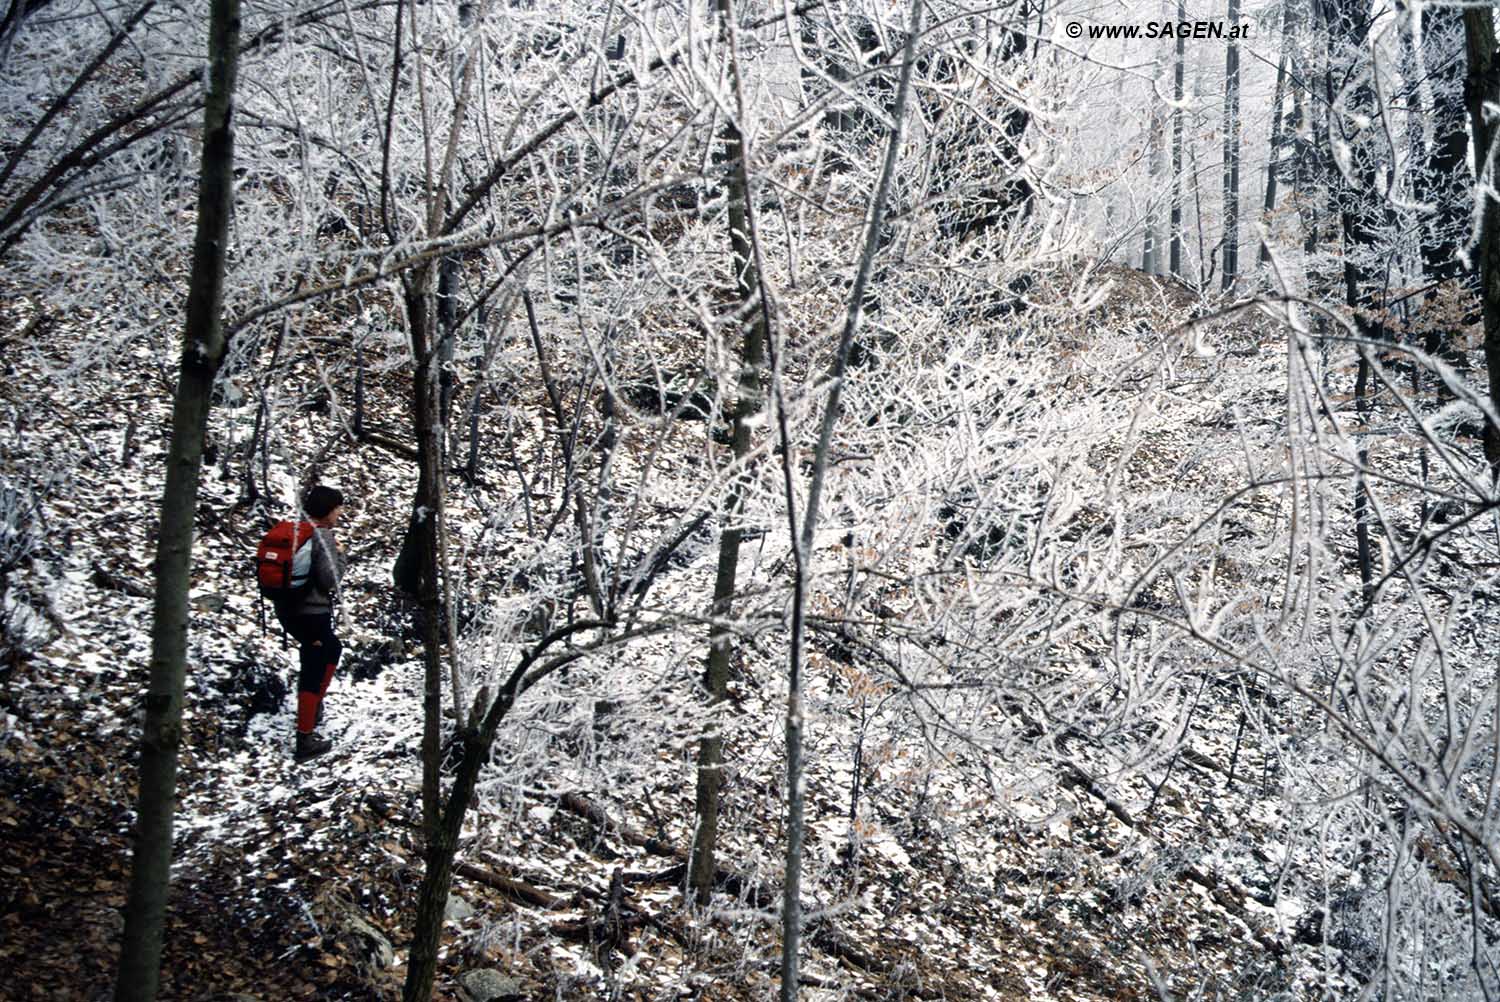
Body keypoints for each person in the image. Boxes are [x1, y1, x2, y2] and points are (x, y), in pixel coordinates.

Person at [273, 484, 347, 762]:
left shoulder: (296, 531)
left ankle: (314, 705)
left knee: (332, 648)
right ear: (328, 510)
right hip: (312, 612)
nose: (340, 513)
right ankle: (305, 738)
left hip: (288, 611)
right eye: (338, 507)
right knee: (314, 666)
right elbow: (331, 580)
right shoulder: (322, 535)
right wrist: (341, 554)